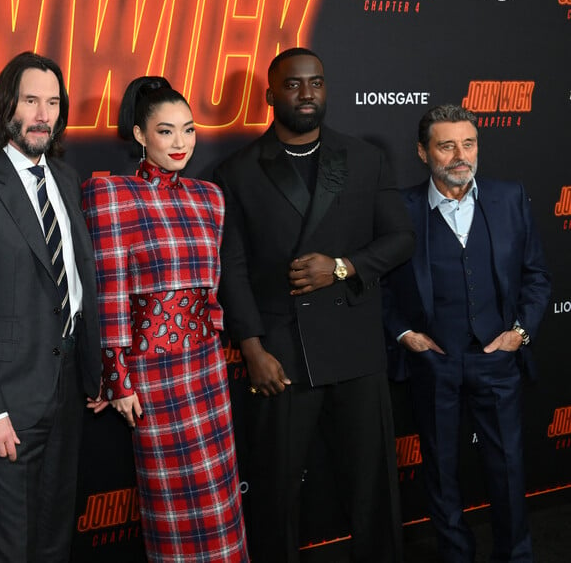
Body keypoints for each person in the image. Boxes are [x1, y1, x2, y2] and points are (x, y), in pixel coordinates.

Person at [213, 47, 413, 562]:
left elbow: (399, 239)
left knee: (373, 490)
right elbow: (231, 270)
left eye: (317, 83)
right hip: (281, 353)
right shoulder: (236, 172)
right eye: (295, 85)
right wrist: (253, 350)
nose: (307, 94)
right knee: (276, 493)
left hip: (356, 350)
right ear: (271, 95)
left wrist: (341, 266)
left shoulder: (364, 158)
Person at [0, 51, 102, 562]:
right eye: (31, 100)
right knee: (11, 547)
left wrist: (93, 374)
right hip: (8, 402)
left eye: (52, 102)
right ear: (6, 105)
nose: (42, 114)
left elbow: (77, 281)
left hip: (67, 390)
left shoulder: (67, 178)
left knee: (55, 540)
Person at [81, 76, 249, 562]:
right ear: (139, 135)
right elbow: (109, 291)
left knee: (221, 496)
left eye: (189, 130)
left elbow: (212, 287)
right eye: (166, 131)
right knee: (171, 503)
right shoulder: (111, 195)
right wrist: (116, 377)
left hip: (207, 367)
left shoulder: (209, 198)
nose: (181, 143)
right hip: (152, 374)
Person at [382, 104, 550, 562]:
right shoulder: (399, 207)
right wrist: (405, 335)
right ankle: (456, 556)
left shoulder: (509, 197)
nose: (461, 155)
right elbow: (377, 285)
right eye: (447, 145)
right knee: (441, 473)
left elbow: (536, 277)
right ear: (423, 152)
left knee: (509, 472)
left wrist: (519, 333)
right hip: (433, 363)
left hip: (497, 359)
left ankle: (515, 556)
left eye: (469, 143)